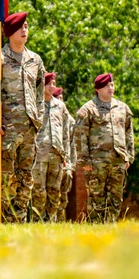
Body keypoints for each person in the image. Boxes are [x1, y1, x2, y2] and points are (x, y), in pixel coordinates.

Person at [0, 12, 47, 222]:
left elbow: (40, 94)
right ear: (9, 32)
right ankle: (4, 219)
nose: (24, 30)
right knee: (5, 178)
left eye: (26, 26)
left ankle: (19, 219)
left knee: (26, 177)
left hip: (28, 129)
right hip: (6, 129)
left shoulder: (35, 60)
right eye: (20, 27)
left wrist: (38, 122)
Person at [75, 73, 135, 222]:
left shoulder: (122, 108)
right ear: (98, 89)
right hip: (96, 163)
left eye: (112, 85)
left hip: (118, 161)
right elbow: (80, 135)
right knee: (97, 199)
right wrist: (84, 160)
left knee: (115, 199)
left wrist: (129, 157)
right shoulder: (88, 109)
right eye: (107, 85)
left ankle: (110, 228)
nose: (111, 88)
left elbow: (129, 133)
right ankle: (96, 230)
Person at [31, 73, 71, 221]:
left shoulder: (60, 106)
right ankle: (37, 222)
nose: (52, 86)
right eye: (49, 83)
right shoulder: (35, 105)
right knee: (39, 192)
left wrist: (65, 155)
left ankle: (50, 222)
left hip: (56, 155)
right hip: (39, 155)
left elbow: (66, 132)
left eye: (54, 83)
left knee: (54, 192)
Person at [54, 87, 75, 221]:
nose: (61, 100)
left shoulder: (70, 121)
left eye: (62, 98)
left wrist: (71, 164)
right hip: (52, 160)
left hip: (66, 164)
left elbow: (72, 144)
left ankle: (60, 223)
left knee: (62, 198)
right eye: (58, 98)